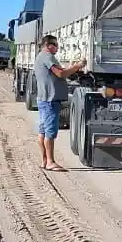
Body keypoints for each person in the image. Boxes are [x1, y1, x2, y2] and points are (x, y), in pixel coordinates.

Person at [34, 34, 86, 171]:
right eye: (55, 45)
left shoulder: (41, 57)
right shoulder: (47, 56)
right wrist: (77, 66)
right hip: (50, 100)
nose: (57, 48)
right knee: (49, 132)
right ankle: (50, 162)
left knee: (43, 131)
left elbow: (59, 72)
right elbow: (60, 74)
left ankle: (45, 161)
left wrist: (71, 68)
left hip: (44, 99)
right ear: (48, 45)